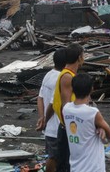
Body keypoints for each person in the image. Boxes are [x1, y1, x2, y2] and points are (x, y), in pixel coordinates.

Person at [46, 43, 85, 172]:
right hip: (68, 128)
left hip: (68, 126)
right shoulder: (67, 77)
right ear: (79, 57)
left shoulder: (68, 75)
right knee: (66, 165)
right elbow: (66, 106)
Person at [63, 74, 110, 172]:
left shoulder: (66, 109)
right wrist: (100, 128)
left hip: (75, 166)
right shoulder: (92, 112)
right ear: (91, 89)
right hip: (93, 167)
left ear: (72, 89)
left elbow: (85, 126)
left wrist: (98, 127)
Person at [36, 48, 67, 172]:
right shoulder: (61, 78)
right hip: (56, 128)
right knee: (55, 158)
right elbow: (53, 104)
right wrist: (45, 120)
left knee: (53, 157)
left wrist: (41, 117)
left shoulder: (49, 74)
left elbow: (40, 98)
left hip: (49, 126)